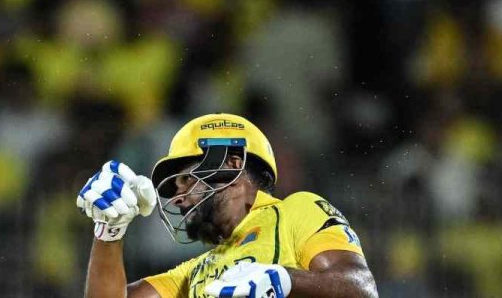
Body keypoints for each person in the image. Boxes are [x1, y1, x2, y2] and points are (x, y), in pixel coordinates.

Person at [77, 113, 378, 297]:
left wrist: (285, 280)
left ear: (233, 164)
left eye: (187, 180)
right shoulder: (194, 272)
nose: (179, 197)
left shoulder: (296, 211)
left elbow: (361, 289)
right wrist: (108, 232)